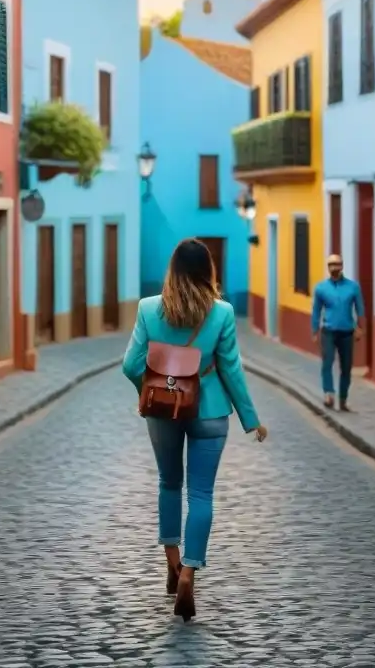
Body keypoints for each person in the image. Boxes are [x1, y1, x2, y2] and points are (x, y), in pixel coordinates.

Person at [122, 238, 268, 623]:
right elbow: (231, 370)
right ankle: (189, 572)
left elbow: (129, 364)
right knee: (200, 493)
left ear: (172, 270)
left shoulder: (149, 309)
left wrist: (150, 390)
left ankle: (171, 563)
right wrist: (250, 419)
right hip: (210, 410)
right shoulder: (221, 313)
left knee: (169, 483)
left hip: (163, 410)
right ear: (208, 271)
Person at [310, 254, 365, 411]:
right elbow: (316, 311)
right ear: (328, 267)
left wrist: (361, 328)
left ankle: (343, 398)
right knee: (327, 363)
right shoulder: (321, 288)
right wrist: (314, 330)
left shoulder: (353, 287)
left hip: (347, 332)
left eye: (337, 264)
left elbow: (360, 308)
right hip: (328, 331)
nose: (334, 268)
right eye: (331, 265)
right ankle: (328, 394)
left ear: (342, 266)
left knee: (346, 367)